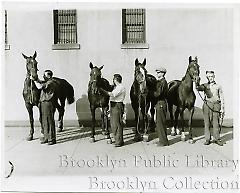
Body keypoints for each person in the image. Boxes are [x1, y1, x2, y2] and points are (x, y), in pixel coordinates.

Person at [196, 71, 224, 146]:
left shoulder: (218, 86)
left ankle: (217, 139)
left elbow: (222, 97)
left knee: (216, 123)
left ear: (214, 76)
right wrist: (197, 82)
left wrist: (223, 108)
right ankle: (207, 139)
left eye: (211, 76)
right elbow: (198, 88)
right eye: (208, 77)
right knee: (207, 123)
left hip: (216, 105)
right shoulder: (205, 85)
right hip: (207, 105)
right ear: (207, 77)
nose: (210, 78)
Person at [32, 70, 58, 145]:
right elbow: (40, 82)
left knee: (49, 121)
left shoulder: (50, 83)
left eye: (44, 75)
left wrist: (35, 80)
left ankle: (52, 139)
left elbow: (40, 86)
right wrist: (36, 79)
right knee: (44, 121)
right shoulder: (47, 82)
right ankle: (46, 137)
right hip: (43, 103)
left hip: (48, 103)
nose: (43, 76)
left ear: (49, 76)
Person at [99, 74, 126, 147]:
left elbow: (112, 94)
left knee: (116, 124)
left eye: (114, 79)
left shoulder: (120, 87)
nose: (113, 80)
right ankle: (119, 140)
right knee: (114, 124)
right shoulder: (117, 87)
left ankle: (119, 142)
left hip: (117, 105)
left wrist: (102, 90)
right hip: (114, 105)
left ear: (116, 80)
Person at [154, 67, 169, 146]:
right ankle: (162, 140)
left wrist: (150, 93)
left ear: (163, 73)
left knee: (160, 123)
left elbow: (158, 94)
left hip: (161, 103)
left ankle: (163, 142)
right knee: (159, 122)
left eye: (159, 72)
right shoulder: (160, 82)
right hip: (159, 103)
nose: (157, 74)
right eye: (157, 72)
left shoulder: (163, 82)